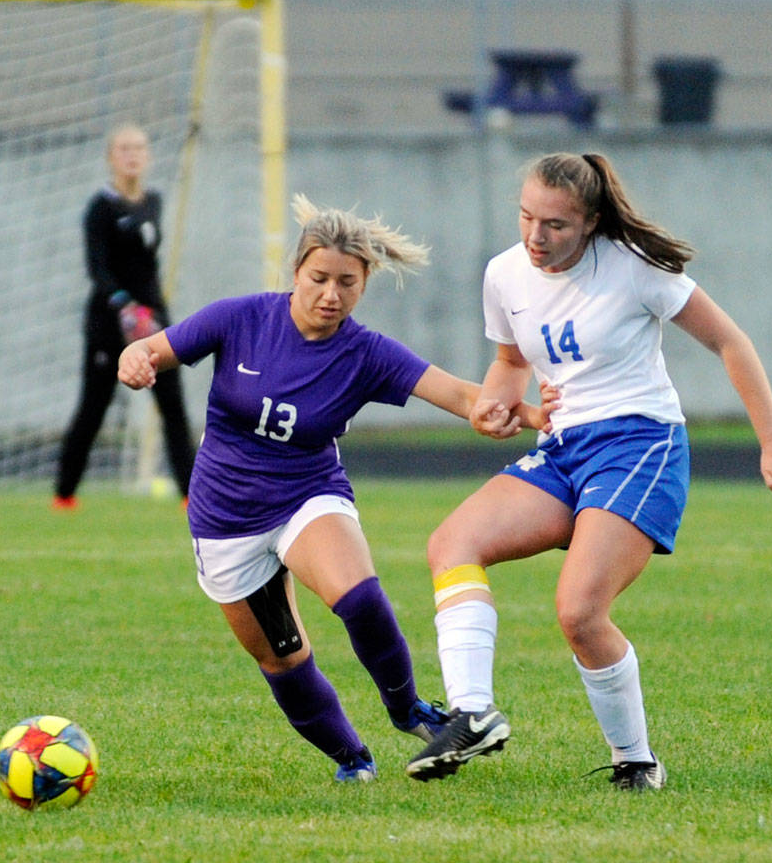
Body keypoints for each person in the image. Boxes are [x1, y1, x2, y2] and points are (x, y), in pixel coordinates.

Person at [405, 152, 772, 789]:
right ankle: (472, 714)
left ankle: (637, 762)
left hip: (639, 446)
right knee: (451, 543)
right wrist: (495, 403)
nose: (536, 237)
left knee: (579, 612)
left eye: (557, 226)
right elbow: (512, 363)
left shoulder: (635, 270)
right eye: (526, 218)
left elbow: (730, 341)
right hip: (564, 448)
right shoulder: (505, 274)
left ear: (592, 222)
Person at [116, 194, 555, 782]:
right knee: (282, 660)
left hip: (308, 494)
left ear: (364, 283)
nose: (331, 294)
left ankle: (410, 712)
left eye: (347, 283)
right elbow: (153, 348)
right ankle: (352, 758)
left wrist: (527, 415)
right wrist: (134, 358)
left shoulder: (365, 353)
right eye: (319, 278)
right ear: (295, 272)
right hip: (225, 518)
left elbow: (459, 395)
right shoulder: (240, 318)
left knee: (359, 596)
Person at [53, 124, 196, 509]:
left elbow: (147, 267)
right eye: (123, 148)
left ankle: (191, 496)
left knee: (173, 407)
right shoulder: (100, 208)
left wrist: (153, 312)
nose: (132, 155)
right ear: (111, 157)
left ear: (148, 156)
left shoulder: (154, 201)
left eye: (138, 148)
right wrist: (123, 305)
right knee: (93, 409)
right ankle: (64, 495)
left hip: (152, 319)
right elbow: (97, 270)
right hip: (109, 322)